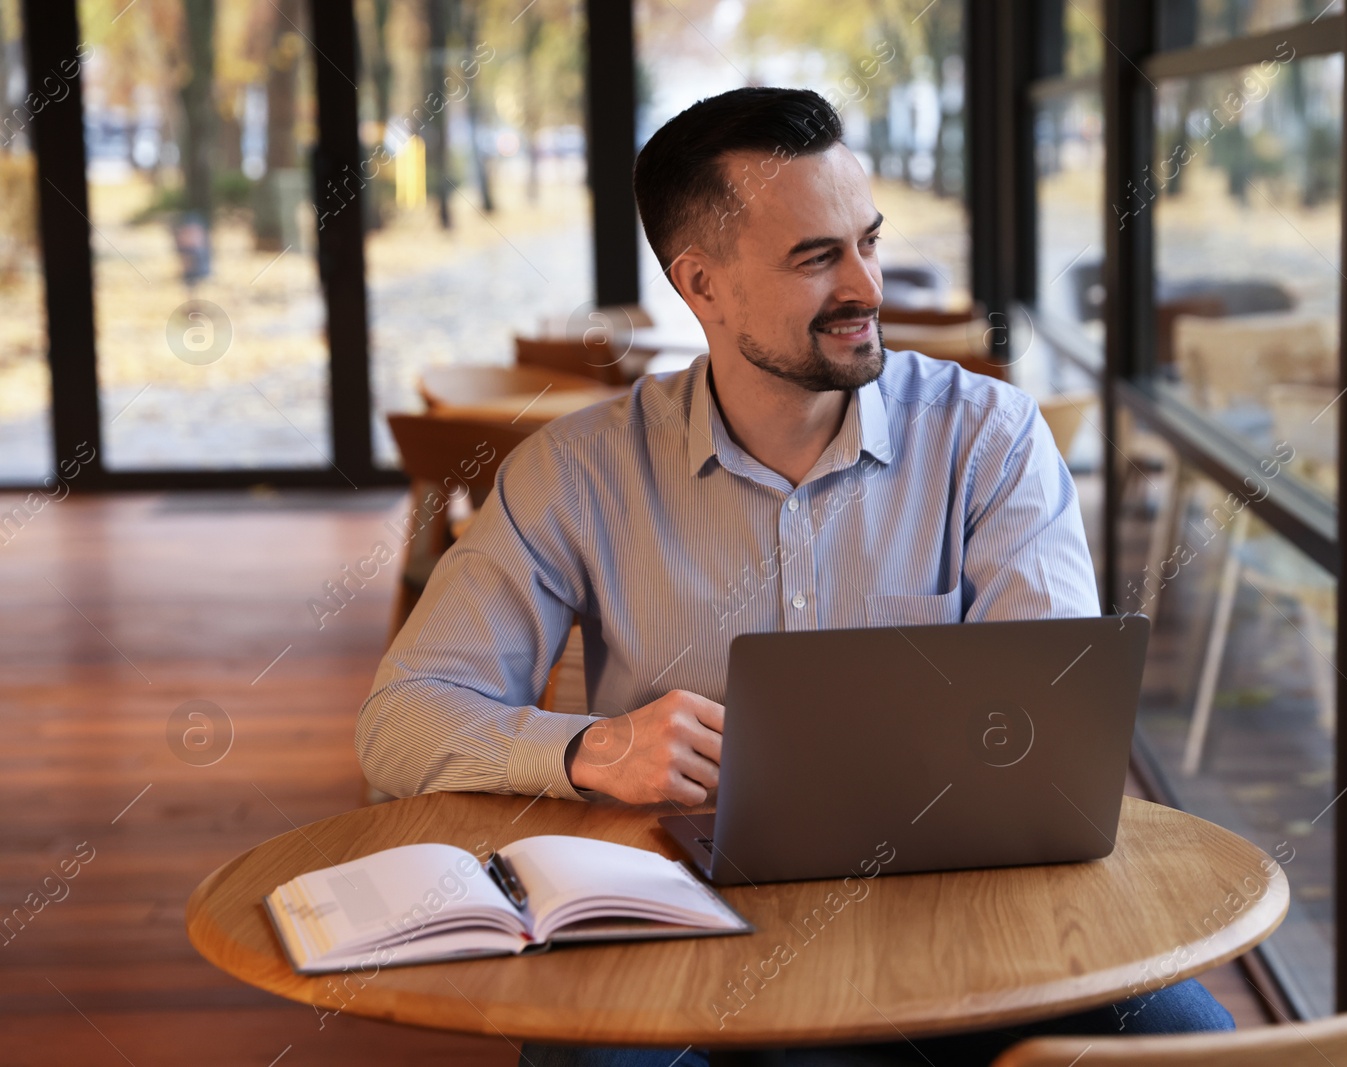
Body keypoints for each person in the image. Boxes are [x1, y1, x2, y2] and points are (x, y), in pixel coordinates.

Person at [358, 87, 1232, 1065]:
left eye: (868, 240)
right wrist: (585, 749)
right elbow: (401, 718)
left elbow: (1055, 734)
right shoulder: (579, 470)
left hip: (955, 908)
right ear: (702, 285)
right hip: (677, 921)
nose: (866, 284)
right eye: (817, 257)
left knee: (1188, 1042)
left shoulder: (990, 439)